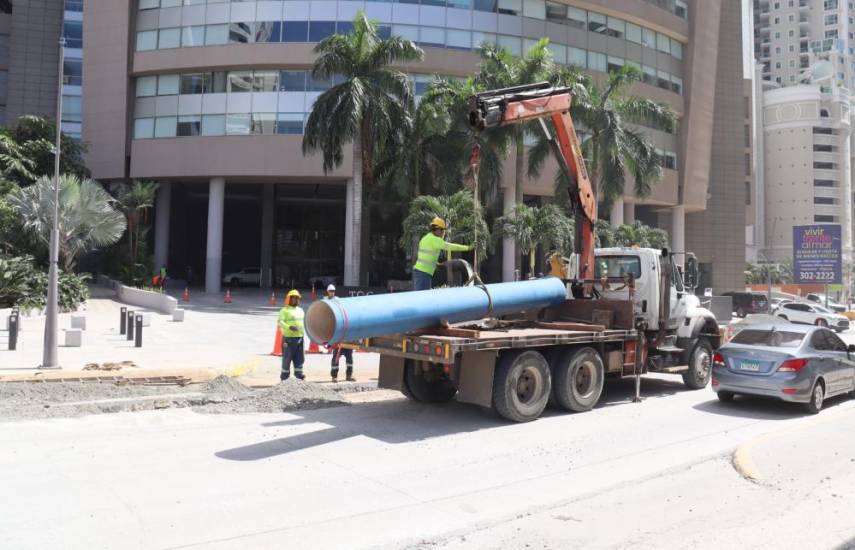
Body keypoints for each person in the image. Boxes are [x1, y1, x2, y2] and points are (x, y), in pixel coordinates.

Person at [412, 217, 472, 291]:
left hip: (422, 272)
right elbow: (451, 246)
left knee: (423, 297)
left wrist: (436, 263)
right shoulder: (435, 240)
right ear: (437, 229)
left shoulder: (426, 238)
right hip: (423, 273)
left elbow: (425, 255)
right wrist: (468, 247)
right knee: (422, 297)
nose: (443, 233)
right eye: (443, 230)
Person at [324, 284, 355, 382]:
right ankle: (334, 376)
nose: (332, 292)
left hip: (345, 337)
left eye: (333, 291)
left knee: (349, 358)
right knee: (336, 357)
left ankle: (349, 376)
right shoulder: (325, 301)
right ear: (327, 291)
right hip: (337, 336)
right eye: (330, 291)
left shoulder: (338, 300)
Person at [278, 289, 305, 381]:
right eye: (294, 298)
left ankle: (299, 375)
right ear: (289, 299)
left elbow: (304, 322)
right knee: (287, 358)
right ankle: (284, 377)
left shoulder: (301, 310)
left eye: (297, 298)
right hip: (289, 339)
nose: (296, 300)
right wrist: (289, 327)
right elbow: (280, 322)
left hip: (300, 338)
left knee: (299, 358)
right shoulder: (284, 310)